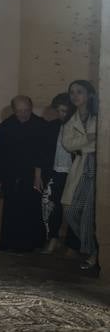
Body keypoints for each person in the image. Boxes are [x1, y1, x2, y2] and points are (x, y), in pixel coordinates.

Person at [0, 96, 47, 253]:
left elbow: (43, 153)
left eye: (26, 110)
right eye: (20, 111)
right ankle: (9, 242)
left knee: (32, 209)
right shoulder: (5, 127)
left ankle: (32, 243)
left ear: (31, 108)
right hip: (10, 175)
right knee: (11, 209)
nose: (24, 114)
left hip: (32, 175)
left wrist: (38, 175)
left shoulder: (40, 125)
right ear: (14, 111)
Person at [61, 79, 100, 275]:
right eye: (72, 92)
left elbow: (100, 144)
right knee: (68, 208)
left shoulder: (100, 115)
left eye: (79, 91)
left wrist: (83, 144)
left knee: (89, 214)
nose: (75, 96)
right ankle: (93, 248)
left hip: (99, 168)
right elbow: (68, 144)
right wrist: (88, 139)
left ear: (89, 94)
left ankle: (94, 254)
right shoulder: (71, 120)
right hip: (80, 167)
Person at [40, 93, 75, 254]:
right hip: (57, 172)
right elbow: (43, 152)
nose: (61, 114)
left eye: (64, 111)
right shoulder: (52, 126)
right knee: (54, 207)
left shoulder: (77, 127)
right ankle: (53, 238)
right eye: (59, 111)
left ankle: (72, 244)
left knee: (73, 209)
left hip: (74, 173)